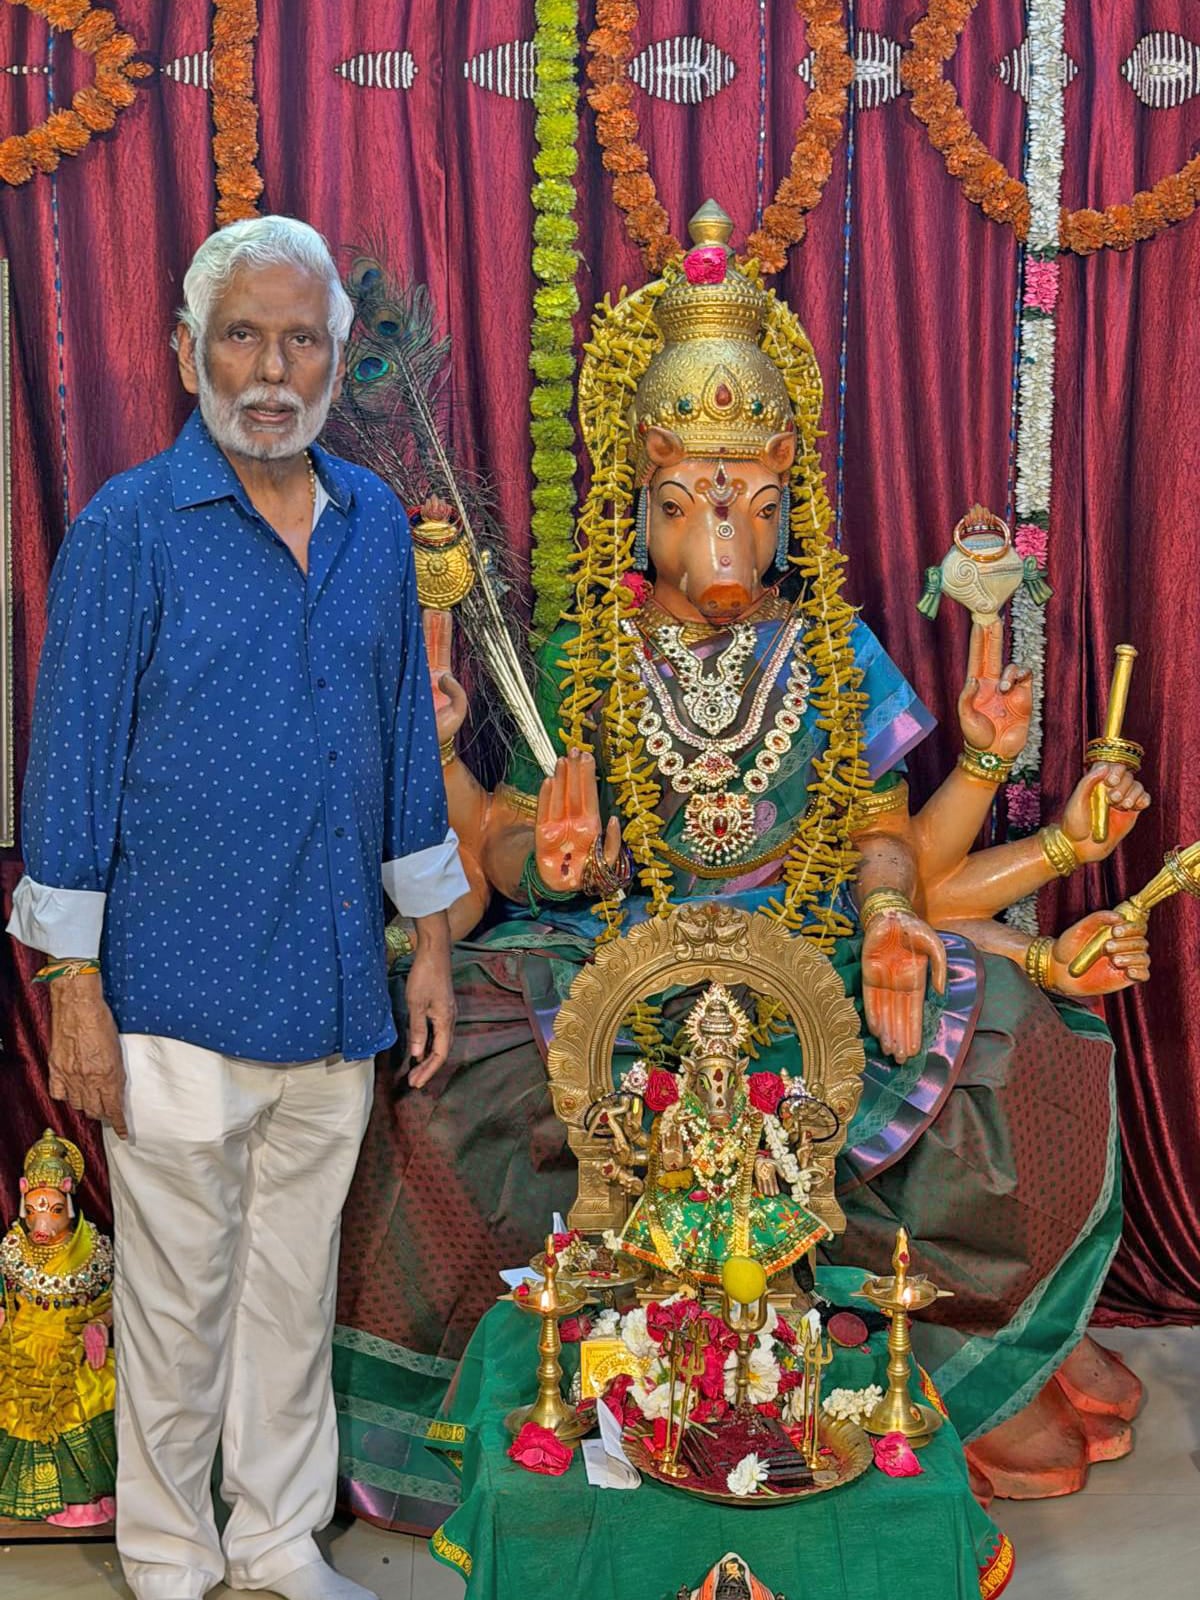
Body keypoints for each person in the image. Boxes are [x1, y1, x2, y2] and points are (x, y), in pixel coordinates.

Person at [7, 215, 465, 1600]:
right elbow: (71, 756)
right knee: (178, 1291)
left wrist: (431, 939)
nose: (274, 369)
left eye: (302, 340)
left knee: (286, 1289)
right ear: (188, 351)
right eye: (246, 336)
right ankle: (167, 1552)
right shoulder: (130, 530)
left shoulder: (374, 521)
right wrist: (72, 990)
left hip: (333, 978)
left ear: (337, 361)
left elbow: (398, 735)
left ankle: (274, 1543)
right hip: (172, 987)